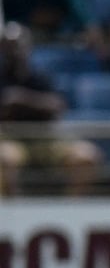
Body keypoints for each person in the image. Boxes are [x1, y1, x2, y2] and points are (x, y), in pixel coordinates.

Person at [0, 21, 100, 196]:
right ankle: (14, 212)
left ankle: (73, 210)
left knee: (86, 156)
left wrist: (20, 100)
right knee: (4, 158)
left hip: (45, 137)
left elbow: (56, 107)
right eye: (9, 46)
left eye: (18, 45)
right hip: (9, 138)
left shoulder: (41, 78)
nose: (14, 51)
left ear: (28, 47)